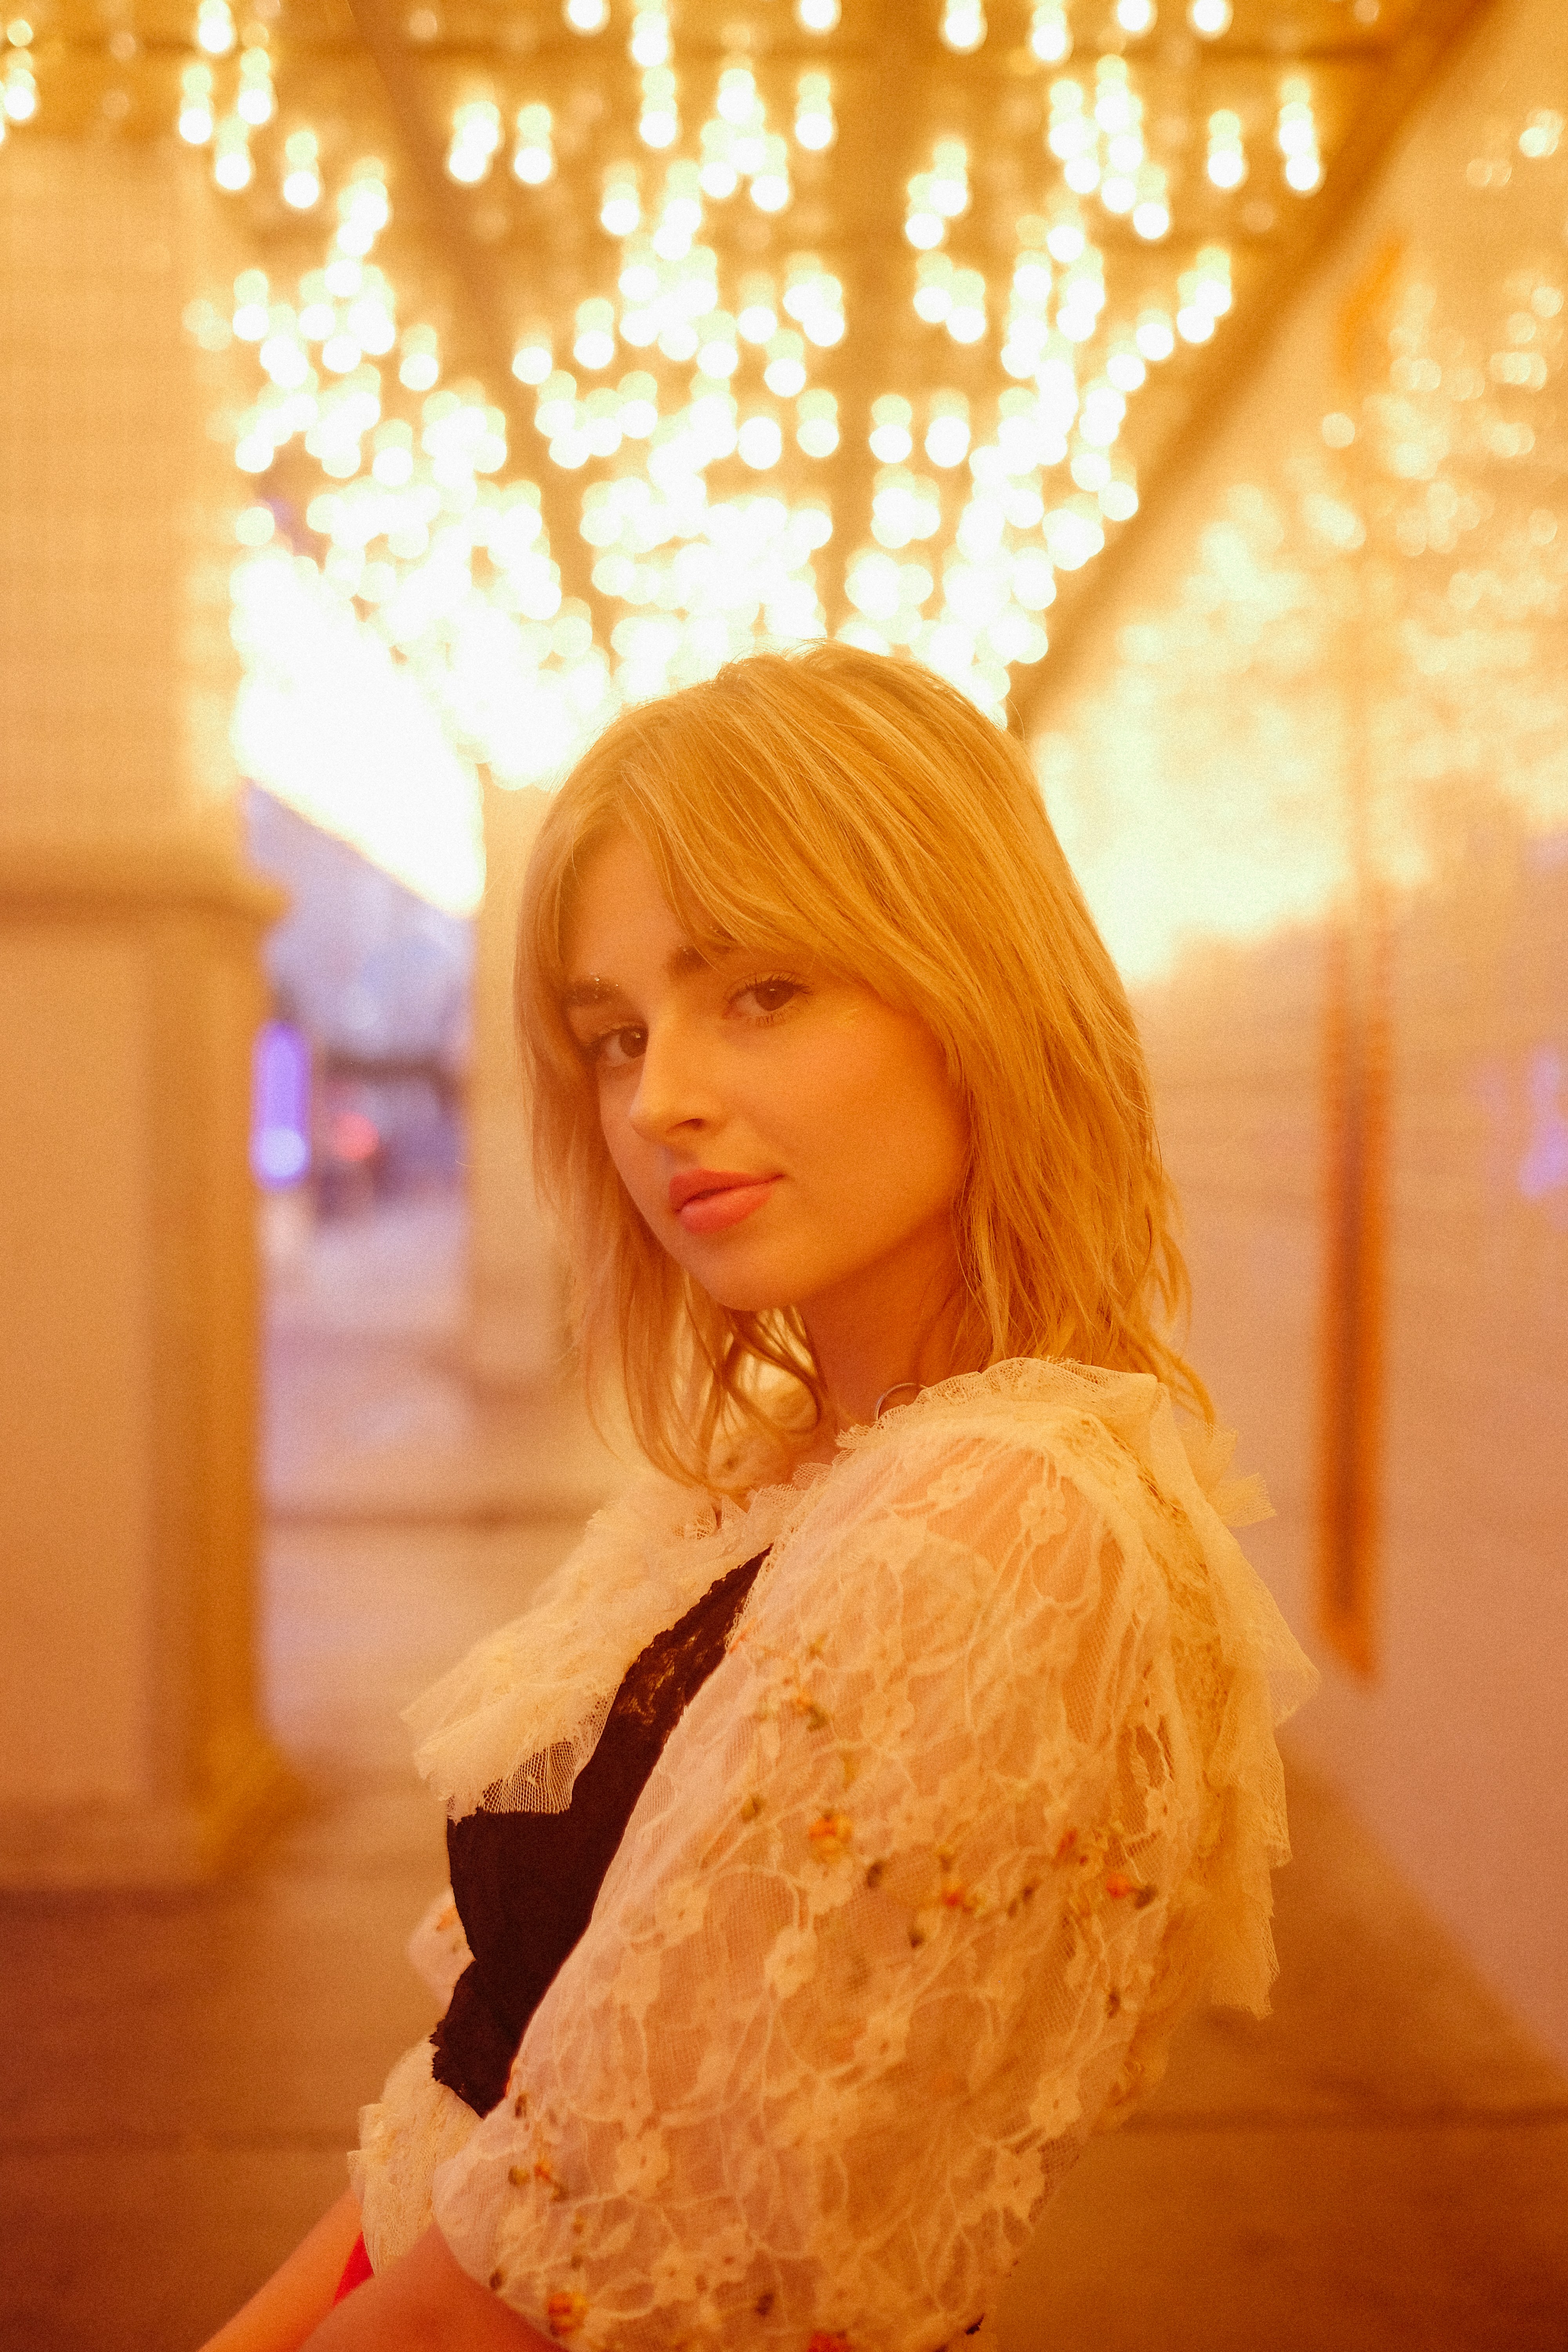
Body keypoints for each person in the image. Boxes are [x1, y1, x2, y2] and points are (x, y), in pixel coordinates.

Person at [204, 645, 1314, 2351]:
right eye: (612, 1035)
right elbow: (469, 2126)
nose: (661, 1101)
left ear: (971, 988)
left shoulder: (987, 1534)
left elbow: (562, 2283)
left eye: (762, 994)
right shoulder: (809, 1472)